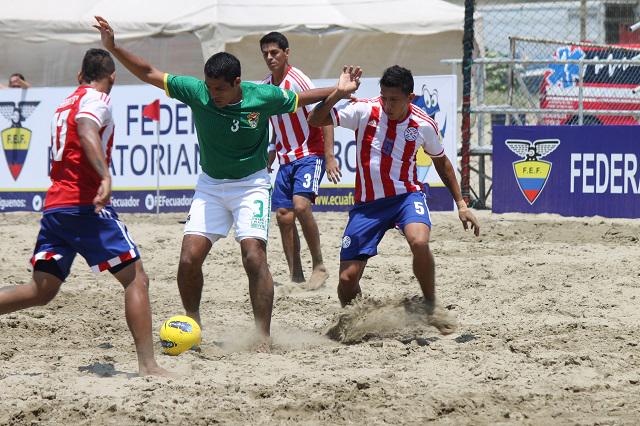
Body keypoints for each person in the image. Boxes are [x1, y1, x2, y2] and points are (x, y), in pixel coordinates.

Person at [94, 16, 356, 350]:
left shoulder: (262, 96)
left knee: (253, 256)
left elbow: (305, 98)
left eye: (220, 88)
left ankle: (262, 335)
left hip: (251, 186)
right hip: (210, 187)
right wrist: (113, 46)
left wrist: (339, 90)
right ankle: (193, 323)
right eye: (209, 86)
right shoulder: (197, 92)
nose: (213, 94)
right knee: (189, 258)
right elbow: (148, 72)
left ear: (236, 82)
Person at [0, 49, 169, 376]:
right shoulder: (97, 101)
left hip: (56, 207)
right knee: (136, 279)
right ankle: (149, 366)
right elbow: (87, 129)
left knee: (41, 290)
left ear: (80, 76)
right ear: (113, 78)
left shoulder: (64, 103)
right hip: (85, 205)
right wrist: (105, 175)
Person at [308, 65, 480, 334]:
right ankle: (357, 319)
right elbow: (315, 119)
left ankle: (430, 303)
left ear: (410, 98)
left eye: (394, 99)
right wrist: (338, 93)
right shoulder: (365, 110)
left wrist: (461, 204)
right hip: (367, 206)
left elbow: (442, 162)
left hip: (406, 197)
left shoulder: (423, 123)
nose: (387, 105)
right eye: (384, 97)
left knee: (419, 241)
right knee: (346, 279)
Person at [259, 32, 331, 290]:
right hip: (285, 157)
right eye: (266, 53)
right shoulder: (265, 86)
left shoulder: (298, 80)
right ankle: (296, 275)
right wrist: (270, 151)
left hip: (310, 153)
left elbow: (324, 113)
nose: (270, 57)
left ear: (286, 53)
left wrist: (330, 156)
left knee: (301, 207)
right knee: (283, 216)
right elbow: (275, 124)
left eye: (275, 52)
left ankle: (319, 265)